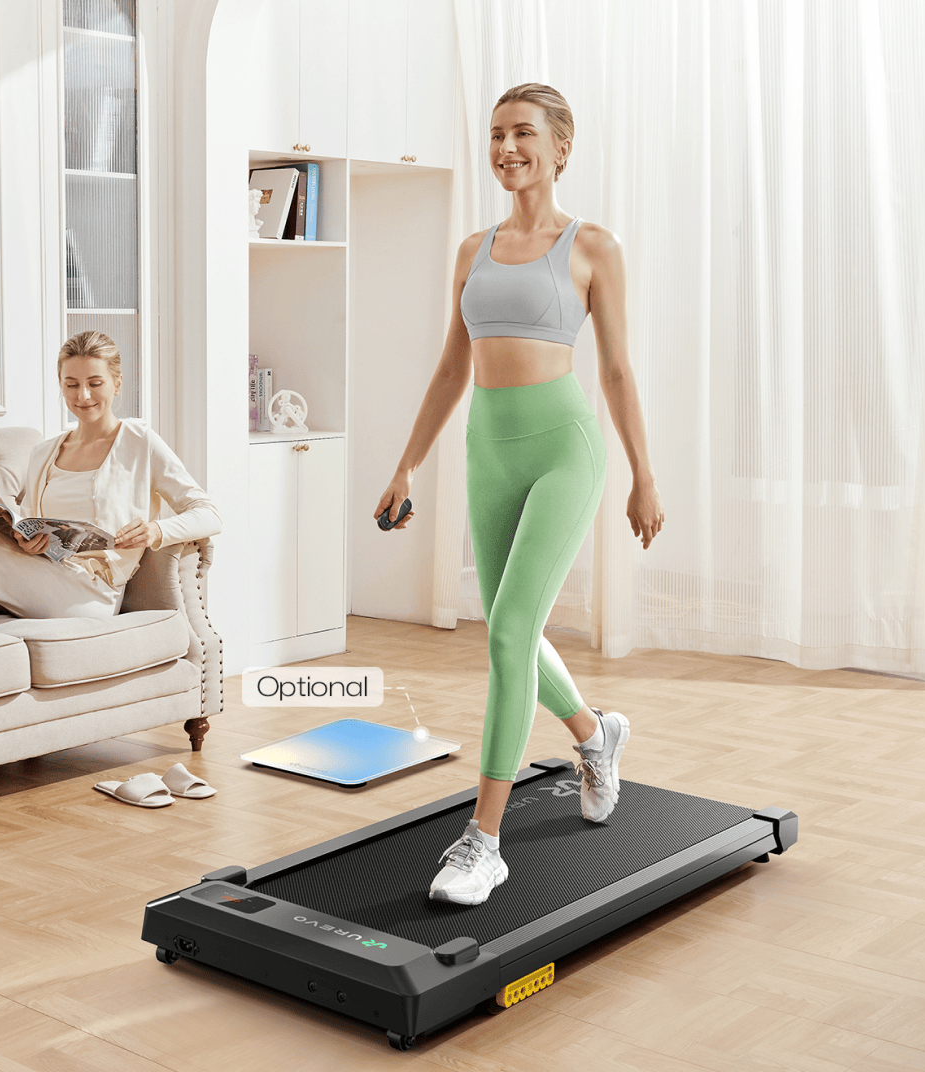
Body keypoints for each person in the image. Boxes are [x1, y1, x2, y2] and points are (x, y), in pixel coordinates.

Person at [374, 84, 665, 905]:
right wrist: (405, 465)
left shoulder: (593, 246)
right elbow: (449, 367)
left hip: (564, 448)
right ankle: (595, 732)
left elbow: (615, 369)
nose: (506, 147)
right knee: (517, 629)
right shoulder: (470, 250)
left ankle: (484, 841)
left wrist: (644, 473)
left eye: (523, 133)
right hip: (487, 449)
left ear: (560, 147)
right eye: (496, 134)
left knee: (506, 630)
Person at [0, 330, 222, 619]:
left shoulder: (140, 443)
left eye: (94, 383)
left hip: (92, 592)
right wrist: (27, 541)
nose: (82, 396)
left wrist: (156, 531)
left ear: (117, 383)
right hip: (43, 572)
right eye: (71, 384)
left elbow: (209, 513)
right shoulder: (44, 452)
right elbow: (27, 520)